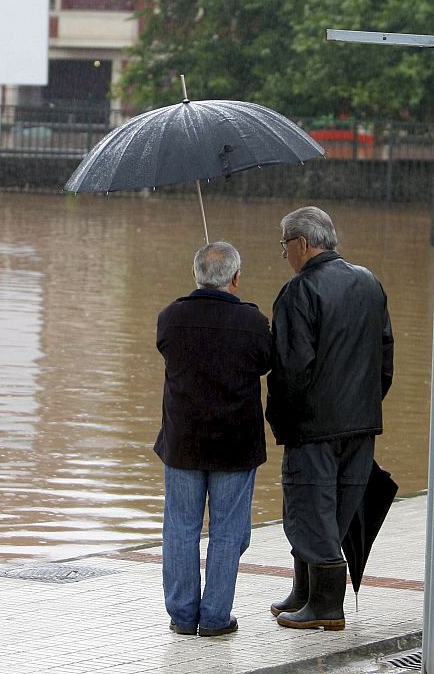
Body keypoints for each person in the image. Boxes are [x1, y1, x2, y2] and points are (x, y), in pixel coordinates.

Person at [266, 206, 393, 631]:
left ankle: (325, 606)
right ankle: (304, 592)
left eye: (284, 245)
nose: (284, 254)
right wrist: (366, 403)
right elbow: (385, 356)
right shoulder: (369, 282)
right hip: (361, 422)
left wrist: (282, 423)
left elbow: (290, 370)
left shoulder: (298, 291)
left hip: (314, 426)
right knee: (335, 509)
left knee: (308, 509)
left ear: (302, 244)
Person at [155, 241, 272, 637]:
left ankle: (182, 616)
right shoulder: (253, 323)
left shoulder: (171, 318)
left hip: (184, 443)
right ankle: (216, 616)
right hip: (234, 445)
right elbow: (267, 362)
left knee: (180, 528)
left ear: (194, 275)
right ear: (236, 279)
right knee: (227, 530)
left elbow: (167, 349)